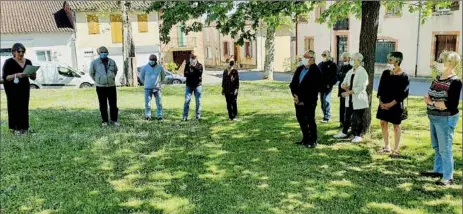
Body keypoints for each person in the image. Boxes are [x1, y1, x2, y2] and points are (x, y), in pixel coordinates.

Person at [420, 51, 462, 186]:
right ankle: (438, 170)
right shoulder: (438, 77)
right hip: (434, 117)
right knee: (437, 146)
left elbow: (450, 105)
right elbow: (431, 92)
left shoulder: (455, 81)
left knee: (445, 148)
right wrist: (430, 100)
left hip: (445, 119)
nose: (437, 63)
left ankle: (448, 177)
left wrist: (431, 102)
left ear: (449, 63)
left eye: (441, 60)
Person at [376, 52, 410, 157]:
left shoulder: (404, 75)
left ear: (398, 60)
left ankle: (396, 150)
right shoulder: (386, 73)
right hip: (384, 102)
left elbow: (404, 92)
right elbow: (380, 88)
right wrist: (381, 102)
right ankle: (387, 147)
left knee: (396, 126)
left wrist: (391, 104)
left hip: (396, 104)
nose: (389, 60)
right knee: (383, 123)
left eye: (391, 59)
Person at [334, 52, 369, 143]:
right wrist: (343, 86)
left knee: (358, 118)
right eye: (351, 59)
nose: (351, 61)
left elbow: (362, 86)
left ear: (359, 60)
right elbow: (344, 82)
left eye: (353, 59)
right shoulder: (350, 71)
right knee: (347, 116)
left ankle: (359, 135)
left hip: (359, 98)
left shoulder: (362, 71)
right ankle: (344, 132)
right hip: (349, 99)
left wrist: (348, 92)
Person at [290, 50, 322, 148]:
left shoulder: (316, 71)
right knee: (301, 119)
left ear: (312, 59)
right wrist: (295, 96)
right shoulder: (299, 69)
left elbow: (313, 88)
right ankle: (305, 138)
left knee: (310, 120)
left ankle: (313, 140)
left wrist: (302, 98)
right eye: (303, 56)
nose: (303, 58)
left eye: (306, 57)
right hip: (297, 100)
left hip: (309, 100)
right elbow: (293, 84)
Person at [2, 43, 37, 135]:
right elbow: (5, 77)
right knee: (14, 107)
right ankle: (14, 128)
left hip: (24, 87)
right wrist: (17, 75)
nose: (21, 53)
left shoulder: (28, 62)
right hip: (12, 89)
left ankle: (24, 128)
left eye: (23, 51)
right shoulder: (8, 62)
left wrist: (33, 74)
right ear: (13, 52)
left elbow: (33, 78)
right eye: (19, 51)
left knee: (24, 107)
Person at [89, 46, 120, 127]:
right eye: (102, 52)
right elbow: (91, 73)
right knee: (103, 104)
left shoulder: (112, 62)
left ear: (107, 53)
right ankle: (105, 121)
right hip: (100, 87)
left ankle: (114, 119)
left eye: (105, 52)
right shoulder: (94, 63)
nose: (104, 53)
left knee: (113, 104)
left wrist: (111, 78)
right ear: (99, 53)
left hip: (111, 86)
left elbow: (115, 71)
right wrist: (98, 80)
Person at [140, 54, 167, 121]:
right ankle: (148, 116)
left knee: (159, 103)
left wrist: (161, 84)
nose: (151, 61)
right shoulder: (144, 67)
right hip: (147, 88)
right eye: (150, 60)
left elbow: (163, 77)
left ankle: (159, 116)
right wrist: (146, 83)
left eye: (153, 60)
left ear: (155, 61)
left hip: (157, 88)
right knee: (147, 104)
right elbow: (141, 77)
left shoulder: (160, 67)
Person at [318, 50, 338, 123]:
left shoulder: (333, 65)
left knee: (326, 100)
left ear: (329, 56)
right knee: (322, 102)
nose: (323, 56)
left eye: (325, 55)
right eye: (322, 55)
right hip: (320, 86)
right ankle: (325, 115)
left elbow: (335, 76)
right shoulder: (320, 64)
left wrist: (330, 84)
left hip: (328, 86)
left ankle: (327, 117)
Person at [183, 54, 203, 121]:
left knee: (198, 101)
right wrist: (192, 73)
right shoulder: (187, 65)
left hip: (197, 86)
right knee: (187, 100)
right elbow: (185, 74)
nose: (191, 61)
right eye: (190, 59)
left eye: (193, 59)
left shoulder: (199, 65)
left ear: (196, 59)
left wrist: (193, 68)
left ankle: (198, 116)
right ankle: (185, 116)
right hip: (189, 85)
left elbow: (199, 73)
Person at [337, 52, 353, 128]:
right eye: (343, 58)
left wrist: (342, 75)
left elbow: (348, 77)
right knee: (342, 106)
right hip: (341, 89)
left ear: (349, 58)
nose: (343, 60)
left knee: (348, 106)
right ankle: (341, 122)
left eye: (345, 58)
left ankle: (348, 122)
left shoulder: (351, 67)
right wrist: (342, 75)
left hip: (347, 89)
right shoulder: (341, 66)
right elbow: (338, 76)